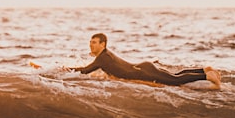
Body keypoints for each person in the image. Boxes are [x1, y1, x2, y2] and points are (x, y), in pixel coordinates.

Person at [69, 33, 221, 88]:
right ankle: (204, 70)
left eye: (94, 42)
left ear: (103, 44)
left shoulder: (102, 58)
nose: (91, 44)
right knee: (174, 75)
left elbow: (85, 71)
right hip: (143, 67)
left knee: (175, 81)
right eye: (90, 42)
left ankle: (206, 76)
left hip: (143, 72)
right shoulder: (105, 55)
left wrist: (64, 71)